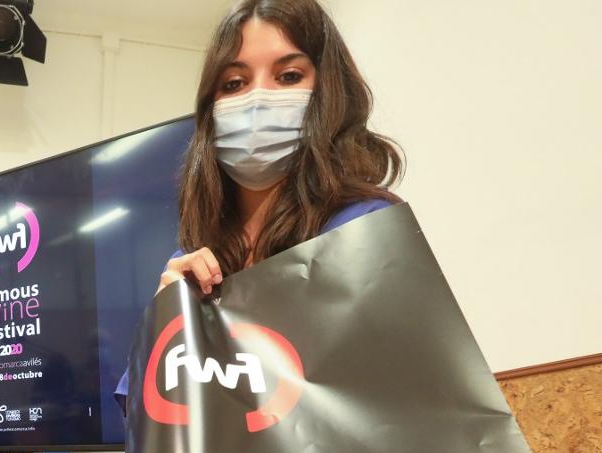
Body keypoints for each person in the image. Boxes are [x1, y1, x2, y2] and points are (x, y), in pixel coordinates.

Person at [116, 0, 402, 410]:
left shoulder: (364, 230)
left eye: (288, 76)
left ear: (329, 92)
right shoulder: (191, 263)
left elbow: (397, 400)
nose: (257, 100)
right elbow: (150, 423)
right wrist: (165, 324)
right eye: (234, 83)